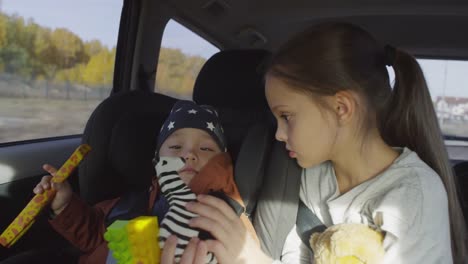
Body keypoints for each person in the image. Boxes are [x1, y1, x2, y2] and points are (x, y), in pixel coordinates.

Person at [163, 22, 467, 264]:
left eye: (287, 116)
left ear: (341, 109)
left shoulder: (413, 196)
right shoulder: (313, 177)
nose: (279, 134)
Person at [33, 100, 257, 264]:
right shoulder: (135, 201)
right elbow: (95, 233)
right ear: (157, 160)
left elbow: (244, 255)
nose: (189, 155)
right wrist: (64, 205)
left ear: (222, 158)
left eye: (206, 148)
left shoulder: (226, 215)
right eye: (176, 147)